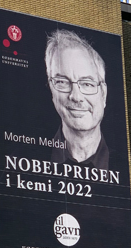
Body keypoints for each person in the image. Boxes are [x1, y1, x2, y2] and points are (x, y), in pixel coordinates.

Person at [46, 29, 109, 170]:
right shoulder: (19, 164)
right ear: (52, 89)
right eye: (62, 82)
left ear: (103, 93)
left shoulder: (125, 167)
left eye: (87, 84)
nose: (76, 96)